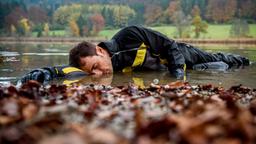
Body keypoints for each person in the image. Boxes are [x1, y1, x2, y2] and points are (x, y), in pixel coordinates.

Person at [20, 25, 250, 84]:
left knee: (225, 61)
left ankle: (247, 61)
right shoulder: (112, 64)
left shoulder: (130, 35)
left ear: (100, 50)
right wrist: (46, 72)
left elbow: (169, 44)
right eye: (93, 72)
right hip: (170, 69)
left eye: (96, 66)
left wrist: (178, 76)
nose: (99, 74)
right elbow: (70, 71)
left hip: (184, 55)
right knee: (215, 67)